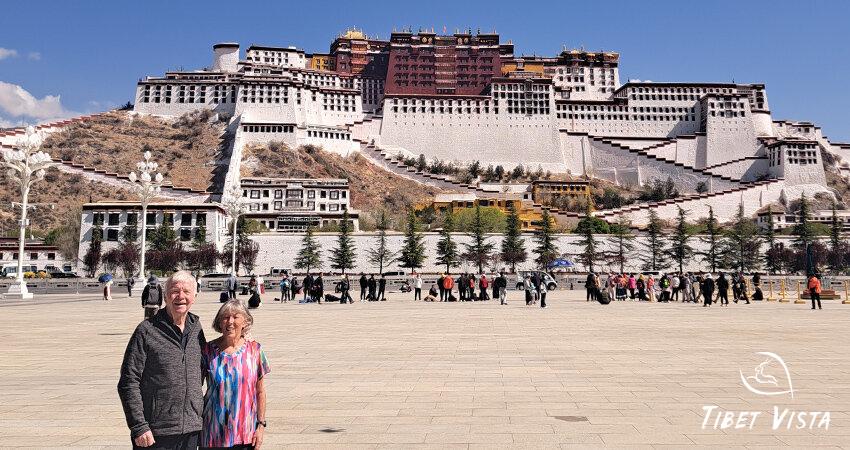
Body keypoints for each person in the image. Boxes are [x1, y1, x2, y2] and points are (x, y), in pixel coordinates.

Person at [118, 271, 206, 449]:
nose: (180, 296)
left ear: (194, 296)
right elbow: (128, 381)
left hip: (191, 429)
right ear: (165, 296)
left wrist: (244, 337)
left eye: (186, 292)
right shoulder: (147, 330)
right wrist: (139, 426)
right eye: (174, 291)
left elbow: (205, 366)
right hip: (155, 431)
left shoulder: (196, 327)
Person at [203, 300, 269, 449]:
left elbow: (260, 392)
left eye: (235, 317)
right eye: (225, 317)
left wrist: (261, 425)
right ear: (219, 323)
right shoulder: (207, 351)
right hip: (213, 433)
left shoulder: (255, 350)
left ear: (245, 322)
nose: (230, 322)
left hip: (246, 433)